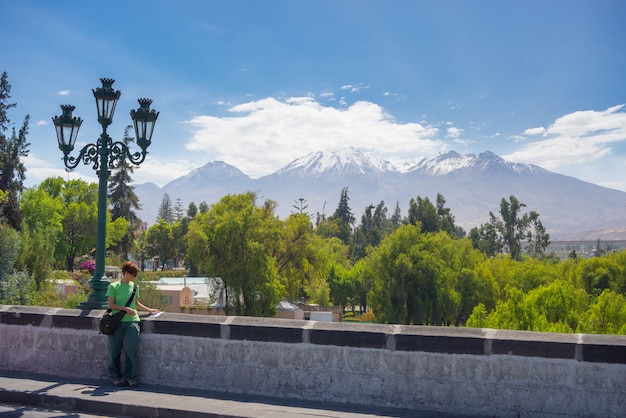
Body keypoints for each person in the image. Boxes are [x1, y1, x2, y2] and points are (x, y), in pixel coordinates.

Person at [106, 261, 159, 387]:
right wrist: (125, 309)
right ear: (126, 273)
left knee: (132, 349)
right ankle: (115, 376)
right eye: (133, 274)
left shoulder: (135, 287)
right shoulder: (114, 287)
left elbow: (136, 303)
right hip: (117, 322)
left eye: (135, 274)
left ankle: (131, 376)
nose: (134, 276)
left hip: (132, 321)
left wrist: (149, 310)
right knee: (114, 350)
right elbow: (111, 305)